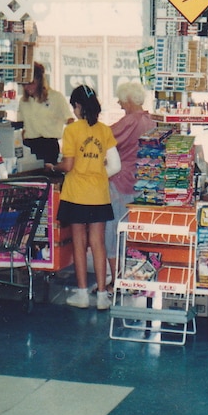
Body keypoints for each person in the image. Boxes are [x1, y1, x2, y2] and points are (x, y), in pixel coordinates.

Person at [46, 85, 120, 310]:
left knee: (79, 243)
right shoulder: (104, 130)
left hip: (76, 193)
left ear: (77, 106)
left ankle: (81, 294)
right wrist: (97, 176)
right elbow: (115, 166)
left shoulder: (71, 131)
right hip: (98, 194)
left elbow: (68, 165)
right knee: (98, 244)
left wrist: (53, 167)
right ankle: (101, 297)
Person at [104, 81, 157, 293]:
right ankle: (133, 277)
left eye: (120, 99)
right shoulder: (149, 120)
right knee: (133, 230)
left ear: (128, 99)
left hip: (121, 181)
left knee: (113, 229)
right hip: (143, 181)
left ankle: (117, 280)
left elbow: (104, 138)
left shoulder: (129, 121)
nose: (119, 103)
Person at [17, 62, 73, 164]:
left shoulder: (56, 97)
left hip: (48, 146)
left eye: (31, 83)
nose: (27, 88)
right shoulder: (23, 101)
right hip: (29, 146)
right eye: (24, 84)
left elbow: (70, 120)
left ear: (39, 81)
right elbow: (20, 124)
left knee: (47, 178)